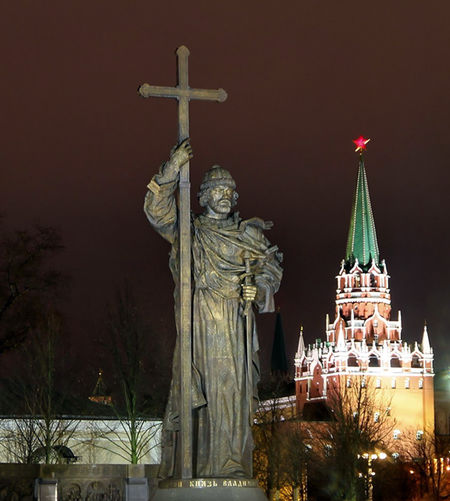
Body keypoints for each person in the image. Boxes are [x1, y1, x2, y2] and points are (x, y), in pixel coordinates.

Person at [144, 140, 282, 479]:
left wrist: (257, 289)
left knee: (232, 393)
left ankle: (230, 465)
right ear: (202, 195)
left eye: (229, 190)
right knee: (201, 391)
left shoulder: (247, 236)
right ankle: (195, 466)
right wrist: (171, 169)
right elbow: (157, 211)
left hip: (235, 324)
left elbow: (270, 272)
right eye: (217, 189)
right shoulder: (189, 232)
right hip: (200, 325)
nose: (224, 194)